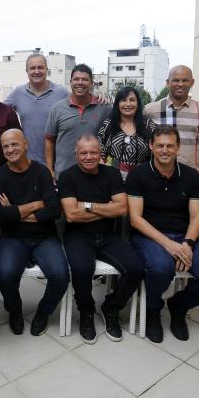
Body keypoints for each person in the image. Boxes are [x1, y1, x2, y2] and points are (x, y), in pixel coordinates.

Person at [126, 126, 199, 343]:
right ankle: (153, 310)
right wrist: (169, 246)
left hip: (184, 235)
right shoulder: (138, 175)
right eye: (160, 145)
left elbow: (197, 217)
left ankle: (179, 305)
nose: (165, 150)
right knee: (162, 268)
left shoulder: (191, 176)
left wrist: (187, 244)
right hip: (149, 236)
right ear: (151, 146)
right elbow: (135, 219)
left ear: (178, 147)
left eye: (170, 145)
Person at [58, 135, 143, 343]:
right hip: (77, 235)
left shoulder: (112, 174)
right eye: (83, 153)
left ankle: (111, 307)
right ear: (76, 154)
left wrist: (85, 205)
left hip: (108, 235)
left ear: (100, 153)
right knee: (81, 270)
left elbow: (122, 209)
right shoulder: (67, 176)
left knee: (136, 269)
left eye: (93, 152)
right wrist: (107, 209)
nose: (88, 157)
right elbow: (71, 215)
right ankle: (86, 311)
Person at [0, 129, 69, 337]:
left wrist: (15, 211)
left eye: (14, 144)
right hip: (12, 237)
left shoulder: (42, 172)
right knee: (5, 275)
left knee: (61, 275)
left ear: (25, 144)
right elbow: (0, 215)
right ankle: (14, 311)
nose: (10, 149)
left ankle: (43, 312)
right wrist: (35, 204)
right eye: (5, 146)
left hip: (44, 237)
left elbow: (54, 210)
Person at [44, 63, 111, 180]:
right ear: (70, 82)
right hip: (64, 175)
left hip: (96, 175)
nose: (80, 82)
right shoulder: (57, 109)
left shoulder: (104, 108)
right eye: (76, 79)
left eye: (85, 79)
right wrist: (49, 170)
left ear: (91, 83)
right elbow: (49, 140)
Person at [144, 65, 199, 172]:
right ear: (167, 82)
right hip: (155, 178)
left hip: (190, 179)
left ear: (192, 82)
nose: (180, 84)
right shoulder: (149, 111)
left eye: (185, 80)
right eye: (176, 80)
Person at [5, 53, 68, 165]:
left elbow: (79, 103)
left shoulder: (61, 92)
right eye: (32, 68)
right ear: (27, 71)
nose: (37, 71)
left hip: (57, 161)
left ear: (47, 69)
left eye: (40, 67)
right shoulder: (18, 93)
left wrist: (98, 98)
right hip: (29, 161)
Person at [98, 86, 157, 179]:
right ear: (118, 103)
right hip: (112, 177)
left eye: (132, 100)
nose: (128, 104)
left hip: (142, 177)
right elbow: (98, 150)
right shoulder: (108, 124)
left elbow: (157, 152)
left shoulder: (148, 125)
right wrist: (105, 174)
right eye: (123, 100)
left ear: (138, 103)